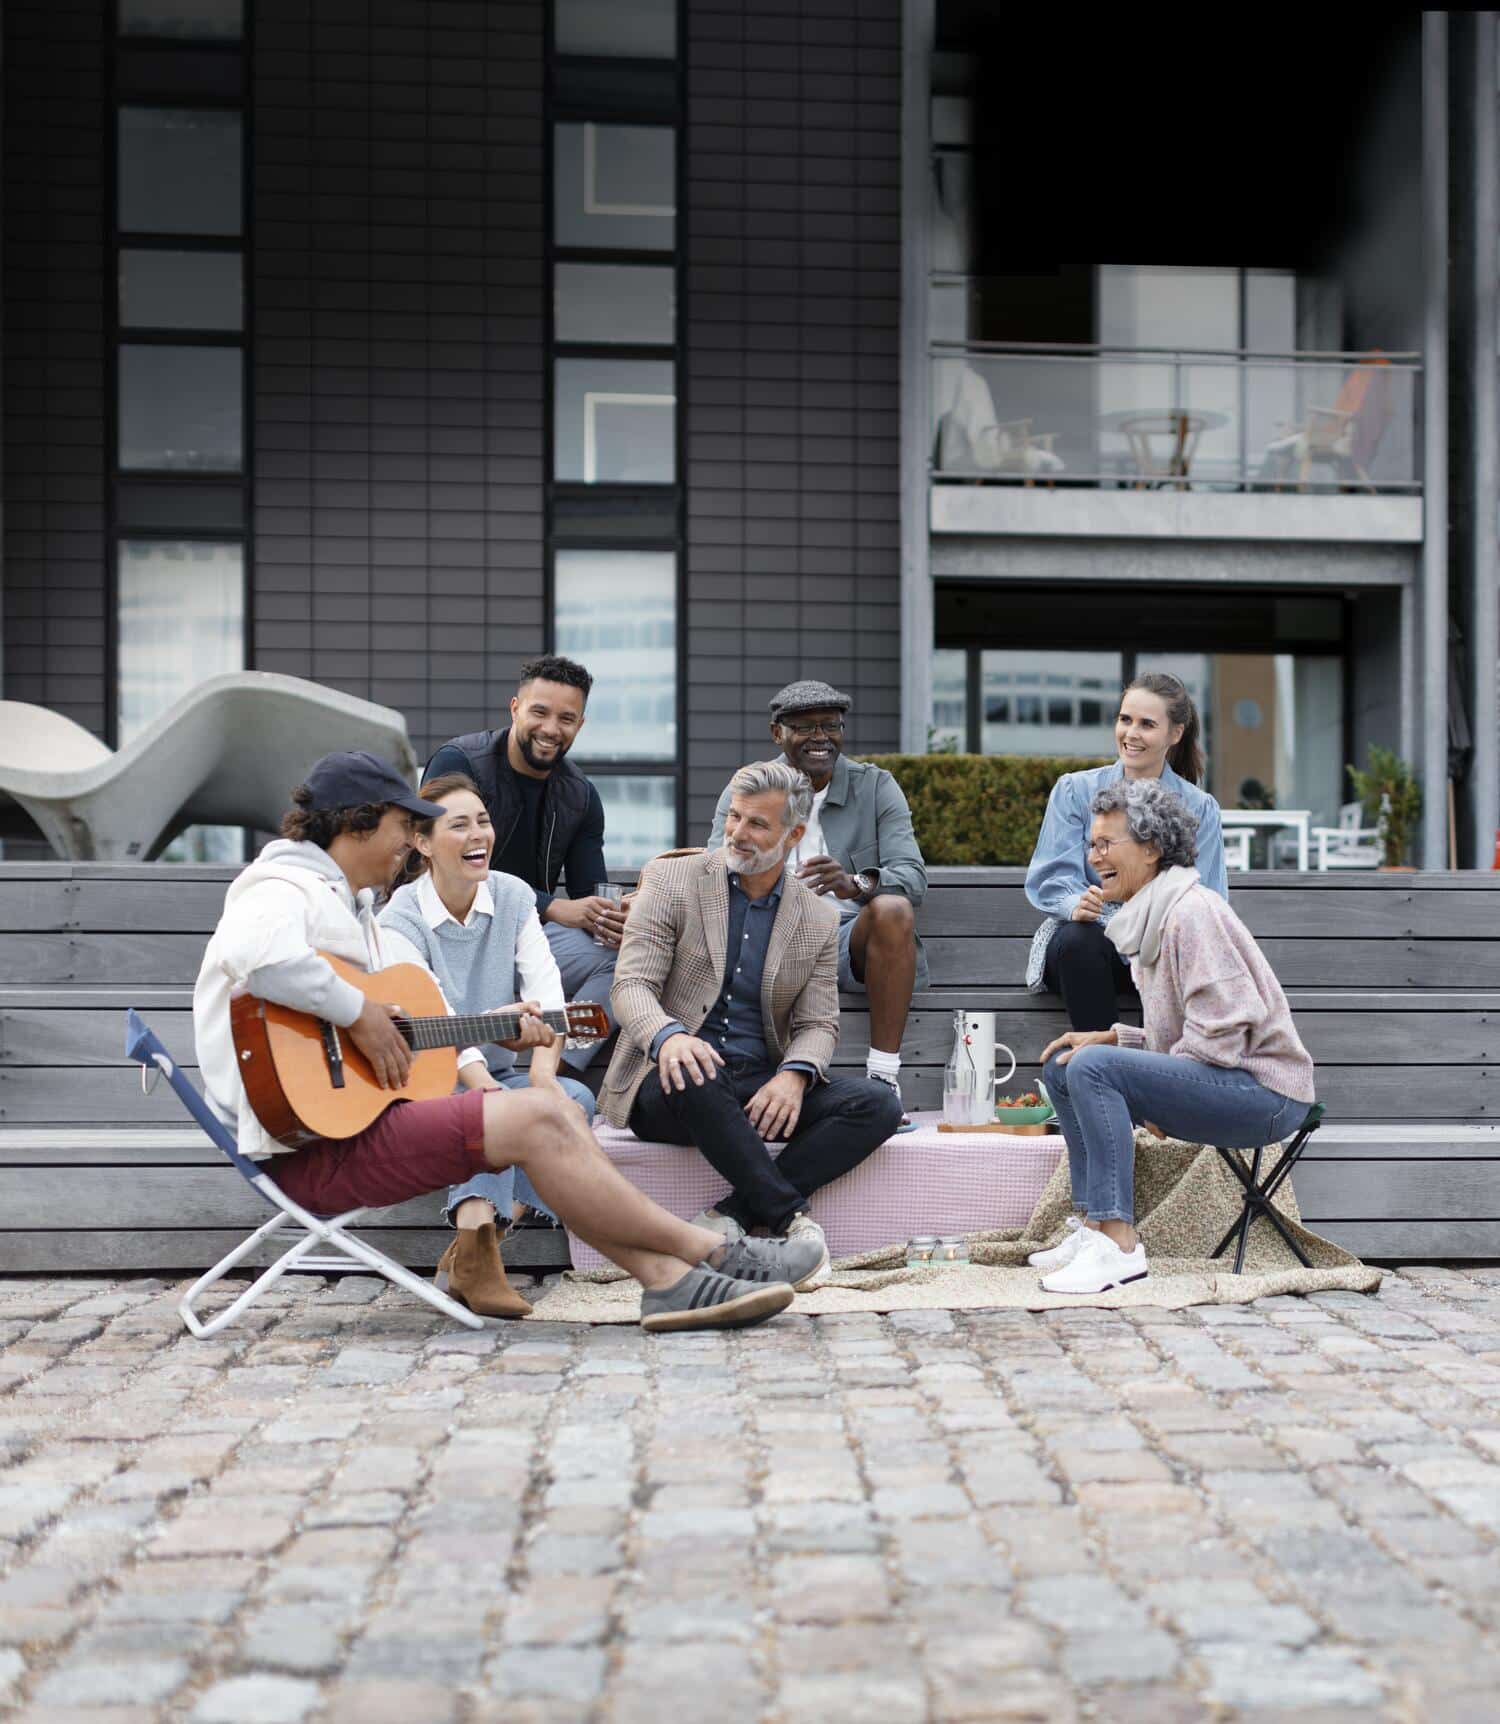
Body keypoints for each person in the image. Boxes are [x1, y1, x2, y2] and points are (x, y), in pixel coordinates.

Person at [191, 749, 825, 1333]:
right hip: (311, 1147)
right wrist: (361, 1014)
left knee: (549, 1105)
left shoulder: (346, 903)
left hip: (352, 1122)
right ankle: (711, 1251)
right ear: (359, 824)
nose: (406, 843)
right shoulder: (283, 888)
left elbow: (421, 1018)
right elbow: (262, 957)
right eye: (402, 826)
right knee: (539, 1115)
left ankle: (668, 1280)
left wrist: (472, 1028)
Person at [604, 759, 904, 1276]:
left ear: (794, 834)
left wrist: (794, 1075)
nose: (738, 834)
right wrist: (670, 1037)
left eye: (756, 824)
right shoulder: (671, 881)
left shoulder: (817, 915)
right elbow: (631, 986)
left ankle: (730, 1217)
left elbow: (818, 1023)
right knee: (699, 1070)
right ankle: (792, 1222)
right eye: (734, 818)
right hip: (670, 1083)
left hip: (757, 1084)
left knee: (876, 1104)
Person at [1033, 778, 1315, 1295]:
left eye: (1105, 844)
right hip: (1224, 1076)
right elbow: (1179, 1036)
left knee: (1093, 1068)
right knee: (1066, 1065)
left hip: (1266, 1094)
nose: (1094, 857)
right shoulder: (1150, 917)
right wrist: (1117, 1039)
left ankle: (1118, 1246)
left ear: (1152, 848)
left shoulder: (1192, 912)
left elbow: (1224, 1035)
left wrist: (1159, 1095)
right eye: (1090, 844)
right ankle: (1092, 1226)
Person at [378, 772, 596, 1319]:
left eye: (484, 821)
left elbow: (547, 994)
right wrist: (496, 1093)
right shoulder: (399, 920)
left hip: (500, 1075)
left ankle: (477, 1252)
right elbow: (438, 1020)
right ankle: (476, 1237)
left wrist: (543, 1082)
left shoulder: (514, 895)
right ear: (423, 843)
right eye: (459, 825)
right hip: (426, 1082)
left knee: (575, 1101)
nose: (479, 834)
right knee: (488, 1113)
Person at [707, 680, 928, 1125]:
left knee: (893, 909)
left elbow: (912, 878)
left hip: (845, 939)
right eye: (804, 727)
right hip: (763, 933)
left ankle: (883, 1076)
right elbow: (715, 868)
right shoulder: (753, 786)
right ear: (777, 734)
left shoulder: (876, 786)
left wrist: (854, 884)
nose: (820, 737)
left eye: (830, 725)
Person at [424, 655, 623, 1071]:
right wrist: (550, 905)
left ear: (581, 725)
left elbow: (590, 898)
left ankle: (562, 1067)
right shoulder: (459, 762)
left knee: (622, 958)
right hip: (448, 940)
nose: (552, 729)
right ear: (515, 708)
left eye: (567, 718)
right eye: (539, 712)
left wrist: (620, 915)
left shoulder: (581, 796)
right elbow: (436, 863)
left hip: (527, 945)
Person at [1025, 671, 1227, 1032]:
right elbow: (1051, 878)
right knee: (1078, 939)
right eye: (1125, 720)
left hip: (1160, 950)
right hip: (1089, 951)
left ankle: (1156, 1075)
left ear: (1175, 733)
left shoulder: (1201, 809)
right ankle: (1099, 1069)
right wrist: (1076, 905)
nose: (1131, 734)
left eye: (1147, 724)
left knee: (1173, 951)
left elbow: (1207, 897)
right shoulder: (1075, 791)